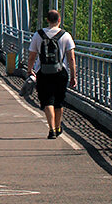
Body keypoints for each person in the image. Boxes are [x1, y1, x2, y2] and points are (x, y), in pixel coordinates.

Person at [27, 9, 76, 139]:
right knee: (59, 102)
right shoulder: (66, 36)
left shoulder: (38, 35)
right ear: (59, 20)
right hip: (61, 73)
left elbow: (32, 55)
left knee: (48, 101)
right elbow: (71, 58)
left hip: (43, 72)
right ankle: (58, 126)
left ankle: (51, 129)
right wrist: (73, 76)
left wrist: (29, 69)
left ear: (47, 20)